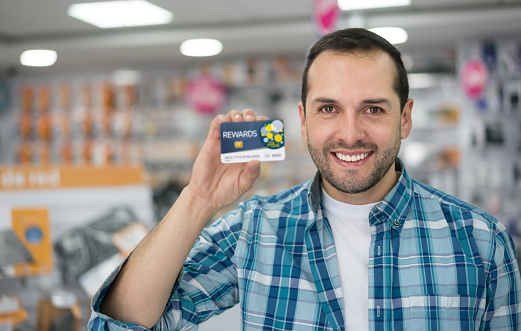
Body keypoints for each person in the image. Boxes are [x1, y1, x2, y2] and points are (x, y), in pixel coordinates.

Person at [88, 28, 521, 331]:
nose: (350, 132)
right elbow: (122, 323)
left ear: (405, 118)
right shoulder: (256, 228)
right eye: (328, 108)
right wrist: (198, 199)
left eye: (373, 109)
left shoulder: (480, 241)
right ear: (303, 119)